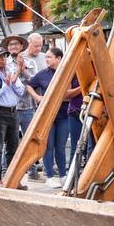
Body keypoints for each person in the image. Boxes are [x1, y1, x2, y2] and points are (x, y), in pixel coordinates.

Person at [26, 48, 81, 188]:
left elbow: (69, 93)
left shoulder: (68, 73)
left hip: (64, 114)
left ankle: (63, 175)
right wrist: (37, 97)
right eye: (46, 57)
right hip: (47, 115)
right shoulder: (43, 74)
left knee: (61, 147)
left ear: (59, 58)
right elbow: (29, 85)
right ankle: (50, 176)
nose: (46, 60)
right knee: (48, 146)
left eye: (49, 57)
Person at [0, 46, 25, 179]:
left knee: (13, 149)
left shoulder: (10, 70)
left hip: (13, 112)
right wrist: (5, 85)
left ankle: (12, 179)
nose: (3, 59)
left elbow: (21, 91)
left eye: (4, 56)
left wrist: (13, 83)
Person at [17, 33, 45, 180]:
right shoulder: (21, 58)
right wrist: (22, 69)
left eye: (40, 45)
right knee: (17, 139)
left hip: (39, 104)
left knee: (34, 138)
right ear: (28, 43)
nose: (38, 48)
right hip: (22, 103)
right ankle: (7, 168)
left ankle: (33, 168)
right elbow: (31, 81)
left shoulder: (45, 57)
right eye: (35, 45)